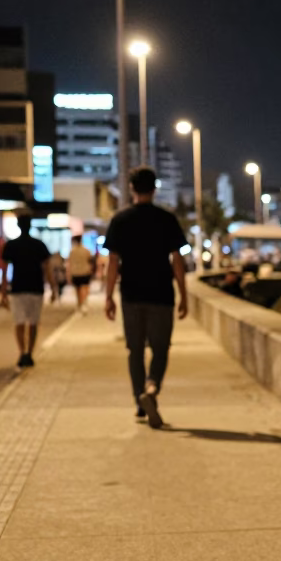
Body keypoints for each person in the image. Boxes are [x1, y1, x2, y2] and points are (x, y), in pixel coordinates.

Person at [104, 165, 188, 428]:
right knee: (161, 348)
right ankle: (152, 387)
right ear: (155, 188)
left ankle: (139, 402)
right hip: (162, 294)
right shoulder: (167, 219)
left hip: (131, 294)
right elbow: (177, 259)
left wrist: (108, 297)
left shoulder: (120, 220)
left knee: (135, 350)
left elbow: (113, 262)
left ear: (131, 189)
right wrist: (184, 294)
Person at [0, 215, 57, 368]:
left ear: (18, 226)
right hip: (36, 288)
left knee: (19, 322)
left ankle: (22, 352)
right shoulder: (39, 245)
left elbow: (5, 271)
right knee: (33, 322)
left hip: (17, 288)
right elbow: (47, 268)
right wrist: (53, 288)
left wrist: (3, 291)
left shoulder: (11, 245)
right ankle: (29, 353)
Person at [67, 233, 95, 314]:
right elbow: (90, 262)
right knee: (84, 288)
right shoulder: (86, 250)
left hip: (75, 273)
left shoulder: (72, 251)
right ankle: (83, 303)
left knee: (78, 290)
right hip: (85, 271)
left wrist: (69, 274)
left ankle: (79, 304)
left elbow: (69, 263)